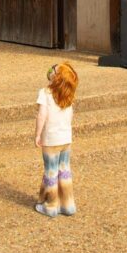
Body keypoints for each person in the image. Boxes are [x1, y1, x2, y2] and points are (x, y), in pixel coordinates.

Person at [34, 61, 78, 217]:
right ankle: (68, 204)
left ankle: (51, 205)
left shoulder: (45, 93)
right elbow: (70, 116)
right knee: (65, 170)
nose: (51, 69)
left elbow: (42, 116)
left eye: (55, 69)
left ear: (57, 77)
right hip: (66, 139)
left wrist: (38, 134)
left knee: (51, 171)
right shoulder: (68, 95)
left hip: (51, 139)